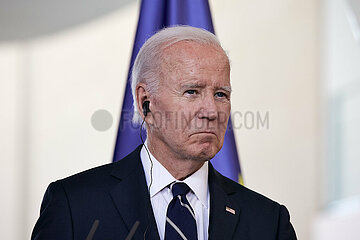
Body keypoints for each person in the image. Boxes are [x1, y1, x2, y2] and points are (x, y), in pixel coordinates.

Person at [31, 26, 297, 240]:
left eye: (220, 94)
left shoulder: (269, 222)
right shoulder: (74, 206)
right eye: (192, 91)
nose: (211, 111)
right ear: (145, 102)